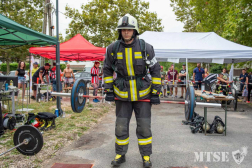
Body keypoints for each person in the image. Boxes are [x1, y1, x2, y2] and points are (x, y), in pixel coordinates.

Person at [103, 14, 161, 167]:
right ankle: (120, 155)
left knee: (144, 128)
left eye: (129, 30)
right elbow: (107, 69)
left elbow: (155, 70)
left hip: (143, 95)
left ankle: (146, 157)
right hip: (122, 95)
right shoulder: (112, 49)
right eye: (123, 30)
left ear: (135, 31)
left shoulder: (146, 48)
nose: (126, 32)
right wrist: (108, 90)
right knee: (121, 127)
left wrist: (156, 92)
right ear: (120, 31)